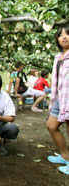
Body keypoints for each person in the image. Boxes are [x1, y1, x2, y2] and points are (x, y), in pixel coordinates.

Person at [46, 23, 69, 175]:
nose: (64, 37)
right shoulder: (58, 57)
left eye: (67, 34)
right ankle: (65, 156)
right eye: (60, 35)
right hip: (61, 98)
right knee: (51, 125)